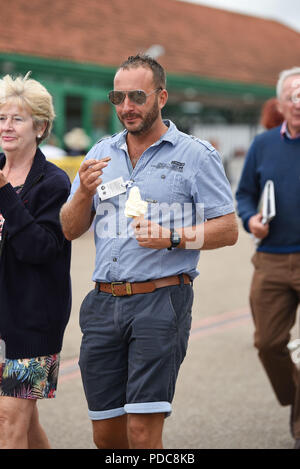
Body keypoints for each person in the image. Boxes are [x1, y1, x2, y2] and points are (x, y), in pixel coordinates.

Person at [60, 54, 238, 449]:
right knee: (106, 434)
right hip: (103, 303)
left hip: (161, 301)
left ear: (162, 97)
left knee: (142, 432)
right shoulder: (98, 155)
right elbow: (70, 230)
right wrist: (85, 192)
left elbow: (228, 230)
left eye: (137, 96)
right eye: (118, 97)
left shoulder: (196, 155)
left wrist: (172, 238)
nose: (126, 107)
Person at [0, 73, 72, 449]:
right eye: (1, 118)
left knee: (9, 418)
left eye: (17, 118)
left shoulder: (54, 183)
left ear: (40, 127)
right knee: (25, 426)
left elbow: (41, 249)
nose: (6, 127)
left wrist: (4, 195)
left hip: (33, 320)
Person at [236, 66, 300, 450]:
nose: (299, 102)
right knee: (267, 343)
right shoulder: (263, 145)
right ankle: (296, 396)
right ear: (280, 104)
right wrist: (251, 218)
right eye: (293, 95)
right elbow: (244, 194)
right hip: (272, 257)